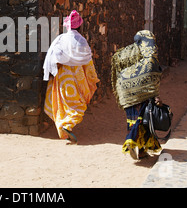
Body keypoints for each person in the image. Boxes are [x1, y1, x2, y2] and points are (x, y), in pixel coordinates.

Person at [43, 10, 100, 144]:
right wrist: (92, 78)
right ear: (79, 26)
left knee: (63, 102)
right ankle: (67, 126)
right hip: (77, 77)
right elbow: (87, 62)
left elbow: (52, 59)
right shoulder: (81, 41)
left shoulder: (60, 39)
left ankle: (64, 124)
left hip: (62, 76)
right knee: (78, 103)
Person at [111, 30, 163, 160]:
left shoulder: (127, 52)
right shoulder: (151, 54)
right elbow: (152, 77)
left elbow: (117, 69)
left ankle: (138, 147)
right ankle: (134, 144)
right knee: (143, 121)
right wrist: (155, 95)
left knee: (133, 120)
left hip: (127, 93)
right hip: (144, 95)